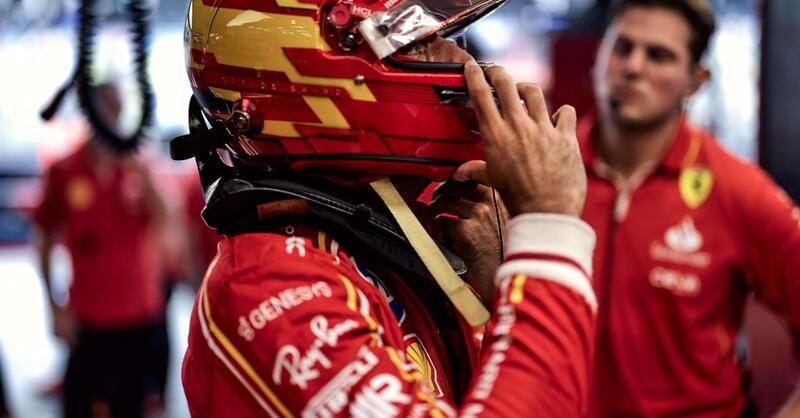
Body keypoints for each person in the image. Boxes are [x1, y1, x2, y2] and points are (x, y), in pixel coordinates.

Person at [177, 0, 596, 416]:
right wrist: (548, 230)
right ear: (307, 75)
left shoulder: (383, 231)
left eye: (447, 38)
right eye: (417, 43)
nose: (464, 61)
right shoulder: (268, 287)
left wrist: (504, 298)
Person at [577, 0, 800, 416]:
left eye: (658, 55)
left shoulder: (739, 191)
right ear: (599, 54)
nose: (633, 67)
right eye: (622, 47)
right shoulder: (548, 169)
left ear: (695, 81)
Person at [33, 83, 168, 418]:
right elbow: (44, 239)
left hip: (138, 310)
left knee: (131, 404)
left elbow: (166, 217)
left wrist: (138, 169)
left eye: (117, 106)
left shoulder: (138, 165)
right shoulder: (64, 169)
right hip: (88, 314)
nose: (112, 114)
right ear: (89, 111)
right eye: (104, 105)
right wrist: (54, 305)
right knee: (77, 404)